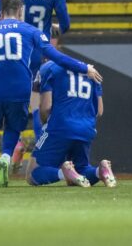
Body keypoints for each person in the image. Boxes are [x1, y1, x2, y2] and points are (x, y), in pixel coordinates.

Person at [0, 0, 102, 188]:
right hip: (19, 87)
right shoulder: (31, 31)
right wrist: (84, 67)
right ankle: (5, 155)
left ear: (1, 13)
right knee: (13, 126)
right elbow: (56, 57)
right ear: (20, 12)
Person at [0, 0, 72, 170]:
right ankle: (41, 156)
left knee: (10, 104)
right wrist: (53, 28)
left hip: (12, 54)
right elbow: (66, 24)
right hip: (39, 53)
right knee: (38, 105)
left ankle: (15, 147)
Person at [25, 60, 116, 188]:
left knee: (32, 174)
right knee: (81, 169)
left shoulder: (50, 67)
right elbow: (99, 111)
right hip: (86, 128)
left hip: (60, 125)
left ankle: (64, 173)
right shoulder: (90, 69)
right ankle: (100, 171)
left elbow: (46, 107)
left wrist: (46, 125)